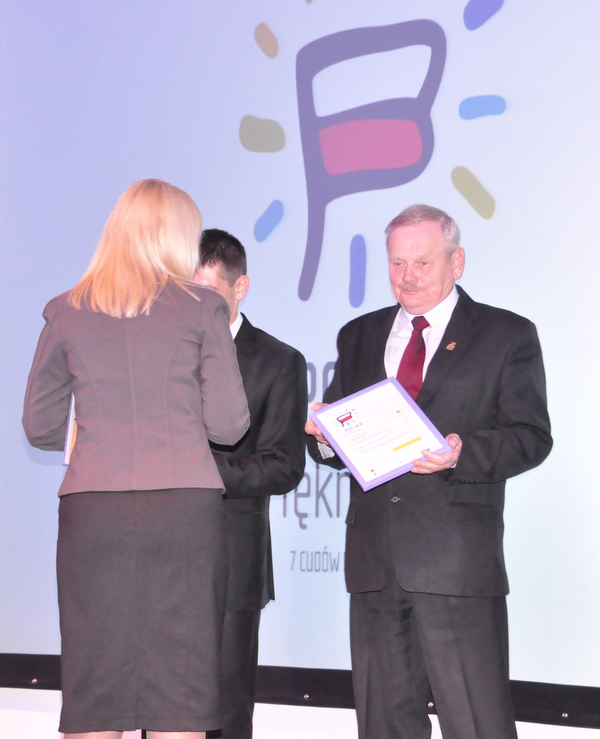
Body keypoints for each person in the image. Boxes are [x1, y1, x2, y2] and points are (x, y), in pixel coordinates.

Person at [305, 204, 552, 739]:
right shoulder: (358, 335)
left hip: (457, 564)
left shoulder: (506, 334)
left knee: (478, 724)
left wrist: (463, 452)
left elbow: (532, 437)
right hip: (374, 564)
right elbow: (342, 438)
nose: (407, 276)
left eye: (422, 262)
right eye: (397, 263)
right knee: (383, 726)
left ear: (456, 262)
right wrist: (324, 439)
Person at [22, 179, 250, 739]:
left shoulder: (66, 310)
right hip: (182, 515)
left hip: (93, 514)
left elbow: (39, 426)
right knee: (180, 694)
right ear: (177, 236)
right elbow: (228, 425)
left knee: (96, 691)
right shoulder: (204, 307)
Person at [194, 229, 307, 739]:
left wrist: (194, 470)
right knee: (159, 708)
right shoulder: (162, 352)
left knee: (224, 711)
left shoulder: (279, 361)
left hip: (231, 559)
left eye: (206, 292)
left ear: (240, 288)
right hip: (156, 555)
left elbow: (283, 466)